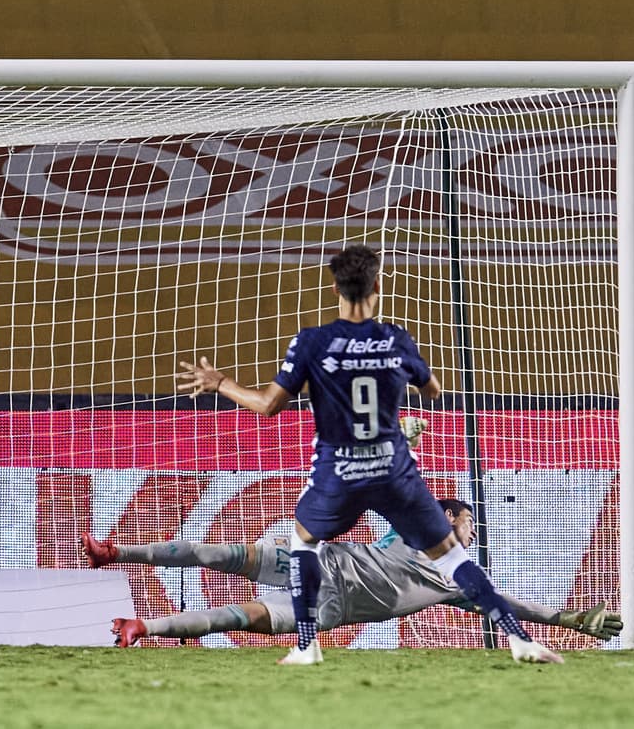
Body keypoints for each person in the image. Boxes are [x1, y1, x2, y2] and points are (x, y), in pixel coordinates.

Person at [176, 244, 562, 665]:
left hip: (338, 471)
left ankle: (307, 646)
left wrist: (220, 383)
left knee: (304, 544)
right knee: (452, 555)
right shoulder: (395, 338)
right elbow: (432, 390)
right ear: (377, 285)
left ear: (335, 288)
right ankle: (520, 640)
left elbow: (269, 405)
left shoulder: (312, 342)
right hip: (392, 469)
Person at [82, 496, 622, 650]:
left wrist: (574, 619)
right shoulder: (410, 528)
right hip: (323, 563)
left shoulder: (458, 579)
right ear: (448, 517)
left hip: (326, 609)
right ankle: (118, 551)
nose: (473, 531)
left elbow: (512, 607)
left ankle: (145, 628)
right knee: (221, 553)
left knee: (237, 617)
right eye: (469, 519)